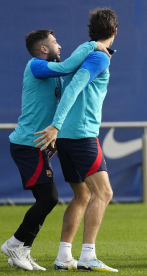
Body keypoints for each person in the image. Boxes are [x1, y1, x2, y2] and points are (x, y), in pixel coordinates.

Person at [0, 30, 109, 271]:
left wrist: (55, 137)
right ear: (43, 49)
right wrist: (93, 45)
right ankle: (16, 243)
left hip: (39, 143)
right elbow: (68, 67)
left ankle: (22, 251)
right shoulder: (36, 65)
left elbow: (65, 74)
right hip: (27, 143)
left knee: (47, 199)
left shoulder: (51, 69)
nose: (59, 46)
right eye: (55, 42)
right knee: (49, 198)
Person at [33, 8, 118, 272]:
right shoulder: (98, 58)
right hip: (81, 135)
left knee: (82, 195)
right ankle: (88, 256)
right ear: (115, 32)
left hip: (67, 138)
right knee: (104, 192)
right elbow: (73, 87)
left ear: (91, 31)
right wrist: (56, 125)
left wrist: (59, 130)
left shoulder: (82, 52)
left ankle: (63, 256)